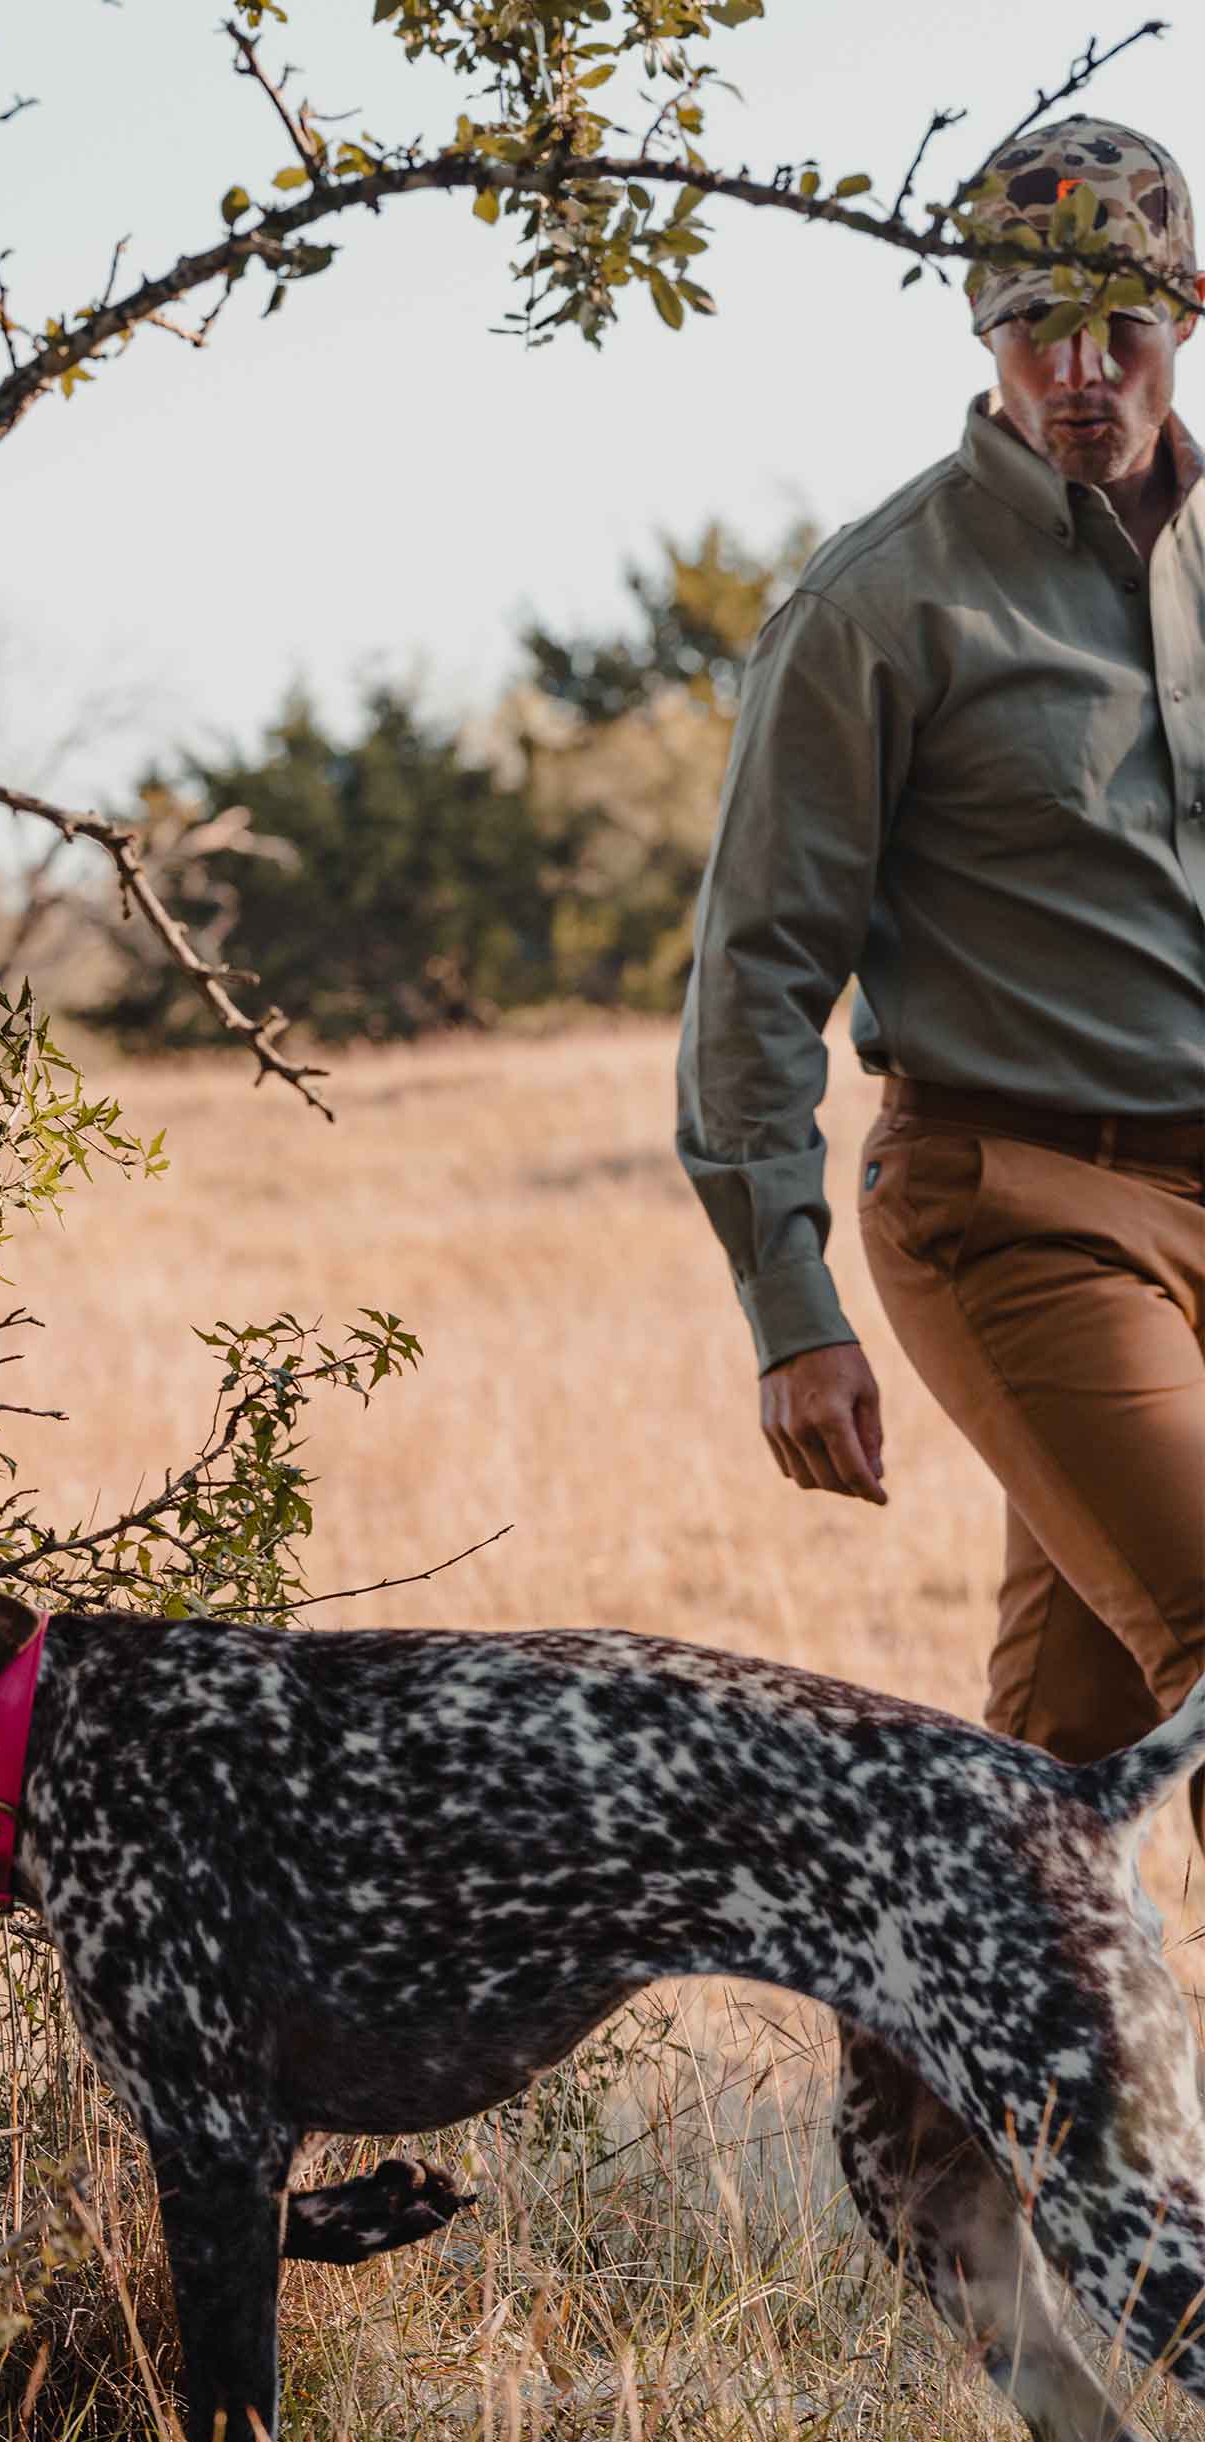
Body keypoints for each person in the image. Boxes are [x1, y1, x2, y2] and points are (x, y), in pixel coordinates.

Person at [677, 114, 1205, 1801]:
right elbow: (757, 967)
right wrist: (787, 1304)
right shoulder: (876, 608)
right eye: (1034, 323)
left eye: (1120, 324)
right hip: (1019, 1204)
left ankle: (950, 2075)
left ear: (1186, 314)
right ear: (980, 326)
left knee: (1074, 1741)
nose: (1080, 368)